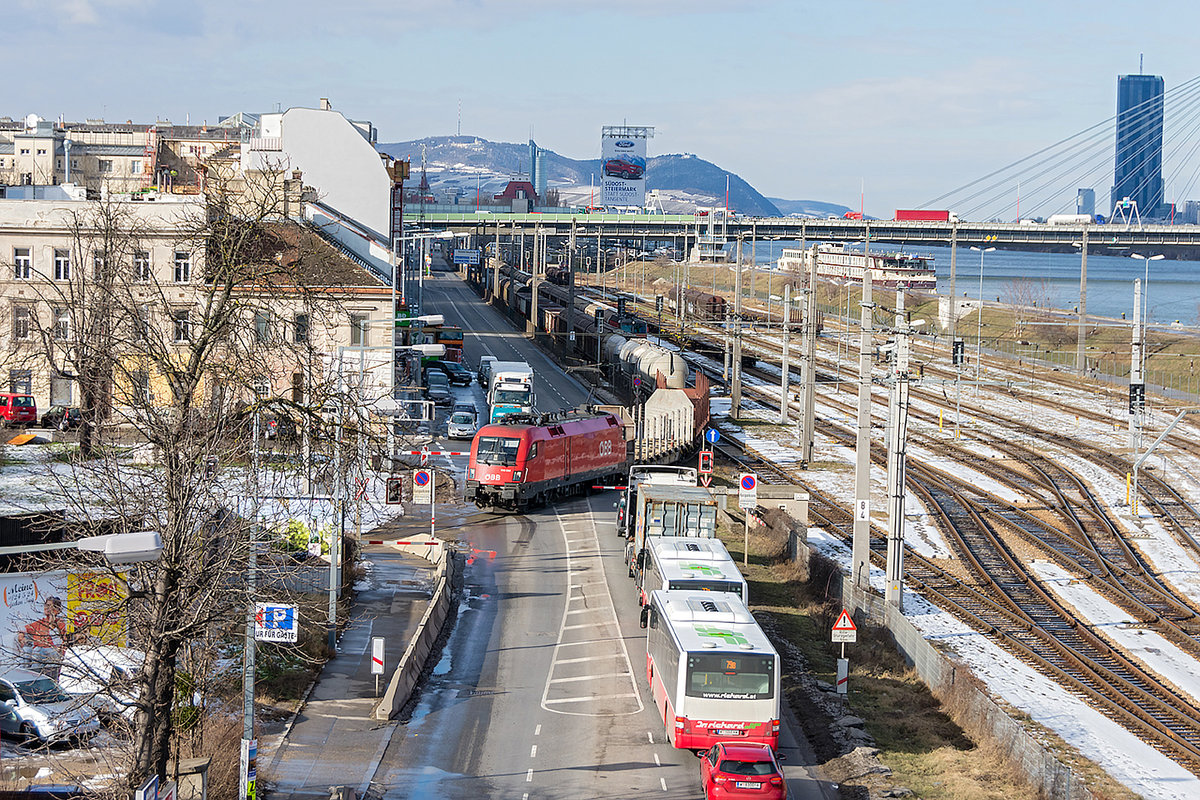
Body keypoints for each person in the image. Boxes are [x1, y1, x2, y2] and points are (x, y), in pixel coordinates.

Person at [16, 596, 67, 679]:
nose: (47, 608)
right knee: (26, 651)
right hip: (39, 652)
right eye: (46, 605)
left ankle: (36, 678)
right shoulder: (40, 622)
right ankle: (23, 678)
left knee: (38, 650)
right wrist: (21, 636)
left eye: (50, 605)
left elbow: (59, 642)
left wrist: (52, 621)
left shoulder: (60, 623)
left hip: (52, 652)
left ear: (57, 609)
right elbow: (23, 628)